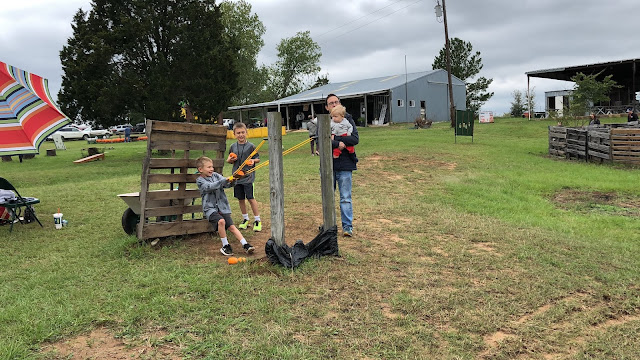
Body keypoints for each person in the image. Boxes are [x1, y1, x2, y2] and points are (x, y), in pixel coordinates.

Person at [195, 156, 255, 256]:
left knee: (231, 227)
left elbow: (227, 184)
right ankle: (225, 245)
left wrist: (233, 180)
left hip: (222, 207)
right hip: (210, 209)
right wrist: (224, 181)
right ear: (200, 169)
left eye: (212, 167)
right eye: (209, 167)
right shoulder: (200, 181)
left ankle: (245, 244)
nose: (212, 169)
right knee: (221, 221)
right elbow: (209, 187)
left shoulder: (216, 175)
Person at [325, 94, 358, 237]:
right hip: (328, 164)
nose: (333, 104)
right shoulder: (325, 121)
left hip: (345, 164)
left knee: (345, 197)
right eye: (330, 103)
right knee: (328, 196)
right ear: (327, 107)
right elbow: (322, 140)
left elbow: (355, 138)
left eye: (336, 102)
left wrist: (336, 139)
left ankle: (347, 227)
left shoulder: (348, 119)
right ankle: (329, 225)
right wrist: (338, 143)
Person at [227, 122, 262, 232]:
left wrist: (252, 161)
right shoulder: (232, 146)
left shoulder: (251, 146)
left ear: (246, 132)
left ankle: (257, 220)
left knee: (250, 198)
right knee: (240, 199)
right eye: (238, 133)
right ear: (234, 134)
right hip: (237, 177)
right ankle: (245, 219)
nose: (241, 135)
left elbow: (257, 158)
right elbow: (229, 160)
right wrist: (230, 160)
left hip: (248, 176)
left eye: (243, 132)